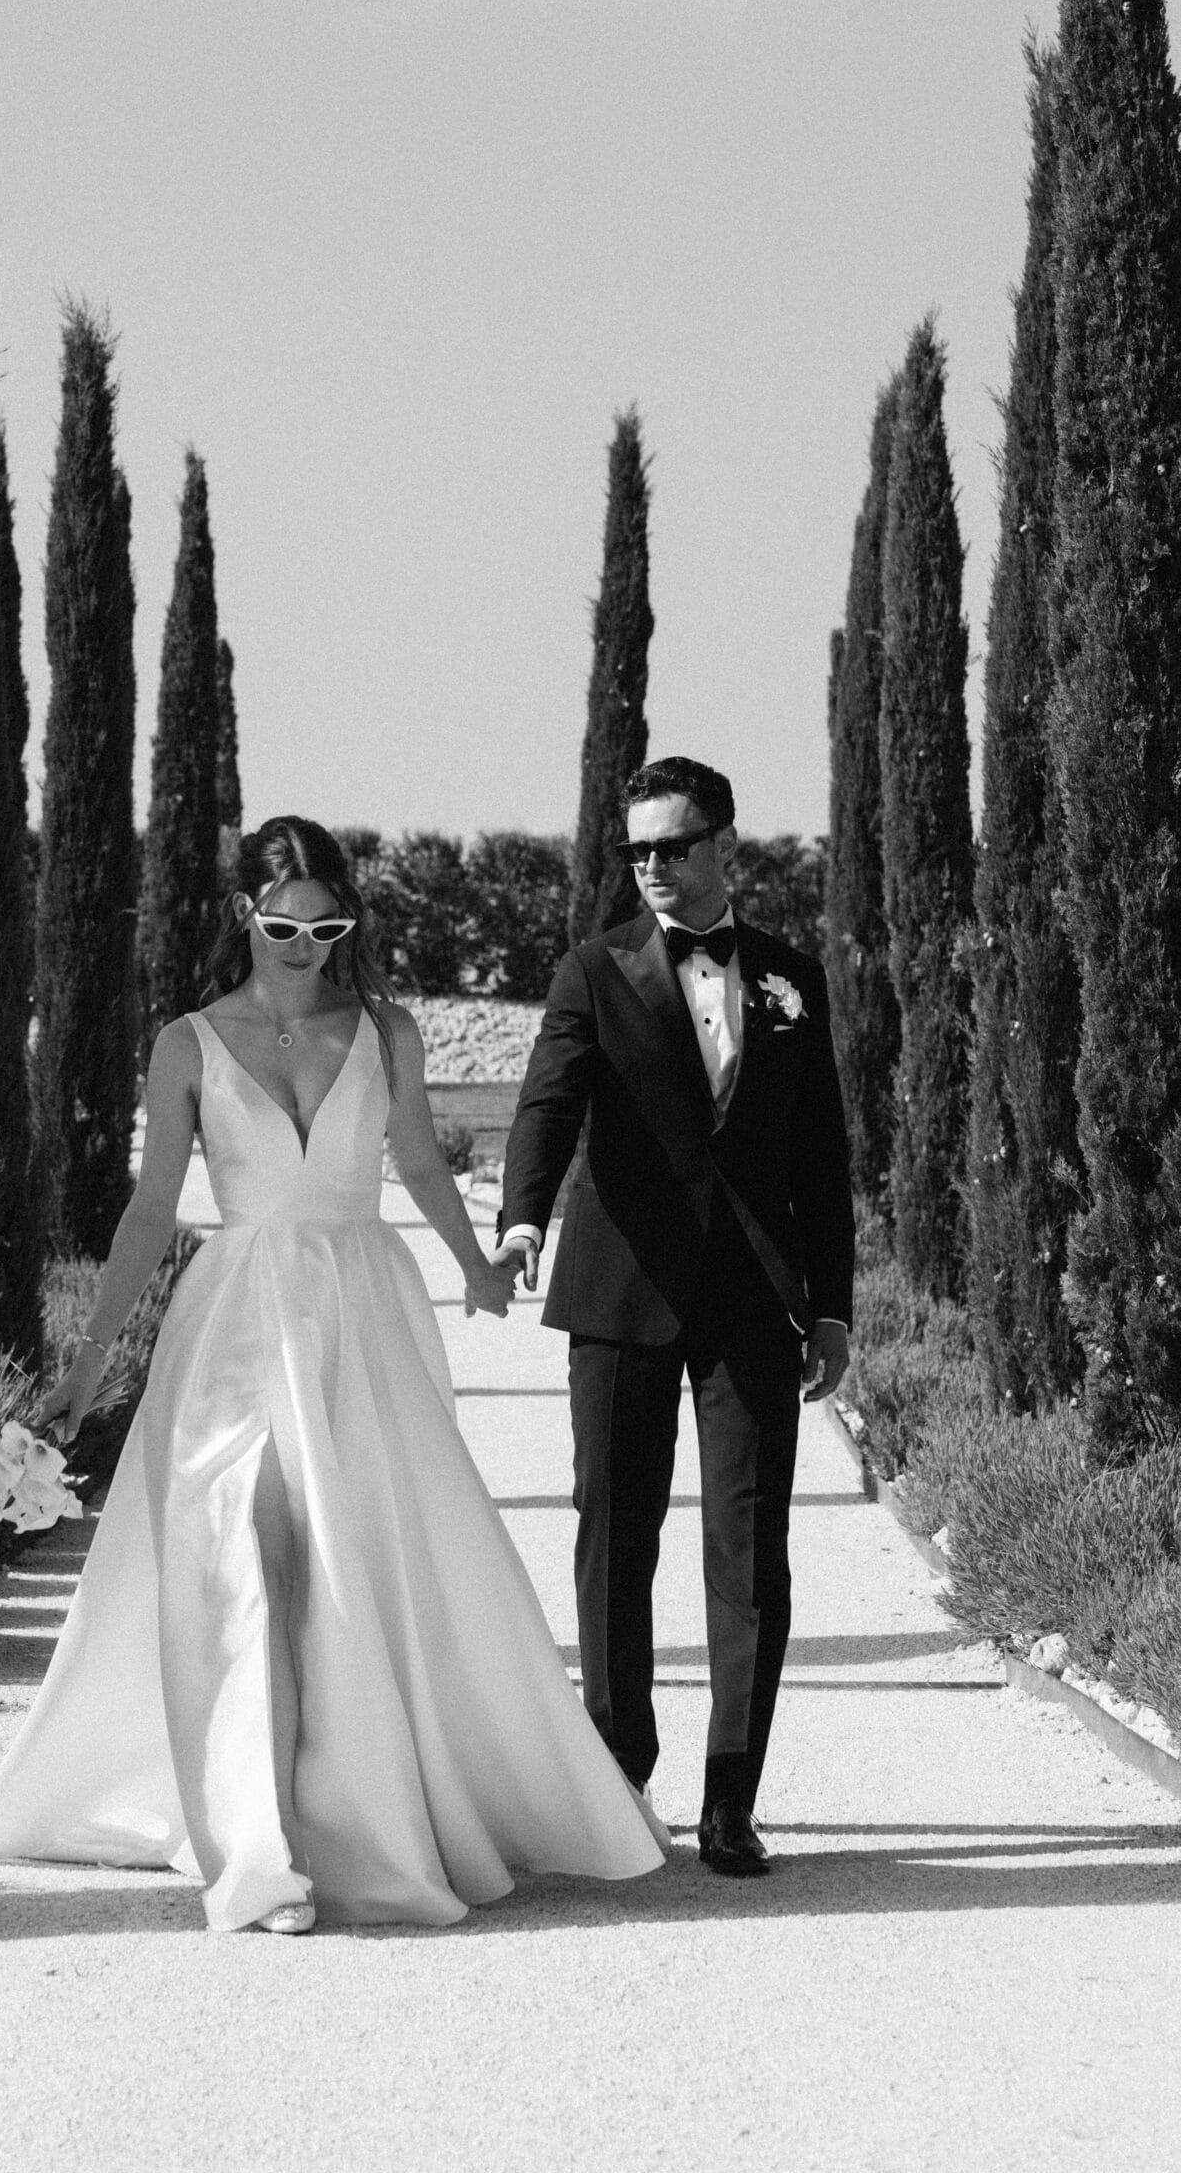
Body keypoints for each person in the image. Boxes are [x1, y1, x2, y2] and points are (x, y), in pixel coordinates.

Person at [0, 816, 666, 1932]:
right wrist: (85, 1368)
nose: (305, 943)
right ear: (245, 916)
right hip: (232, 1323)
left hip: (360, 1315)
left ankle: (353, 1817)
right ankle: (259, 1847)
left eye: (329, 926)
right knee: (241, 1556)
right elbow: (146, 1210)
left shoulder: (387, 1028)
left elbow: (416, 1156)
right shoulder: (187, 1042)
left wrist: (476, 1264)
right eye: (283, 924)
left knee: (349, 1563)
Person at [490, 756, 853, 1878]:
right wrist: (521, 1221)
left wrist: (832, 1307)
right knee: (615, 1540)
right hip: (618, 1289)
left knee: (749, 1554)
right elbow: (547, 1102)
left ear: (725, 848)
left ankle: (732, 1800)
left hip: (752, 1300)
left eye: (672, 846)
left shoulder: (793, 977)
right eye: (636, 849)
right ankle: (617, 1777)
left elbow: (820, 1153)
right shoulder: (591, 970)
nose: (651, 866)